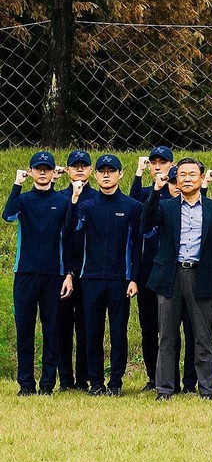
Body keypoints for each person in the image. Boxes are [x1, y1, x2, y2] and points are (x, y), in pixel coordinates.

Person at [143, 157, 212, 400]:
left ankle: (206, 390)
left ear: (202, 179)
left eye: (193, 174)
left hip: (201, 275)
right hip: (170, 276)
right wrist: (156, 190)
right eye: (182, 174)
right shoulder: (167, 207)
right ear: (176, 179)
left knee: (204, 337)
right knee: (167, 337)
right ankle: (164, 389)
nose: (187, 178)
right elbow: (147, 221)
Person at [64, 154, 142, 395]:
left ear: (121, 174)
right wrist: (74, 200)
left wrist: (134, 278)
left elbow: (138, 245)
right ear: (95, 175)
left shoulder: (132, 206)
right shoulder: (86, 205)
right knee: (92, 332)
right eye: (102, 170)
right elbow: (71, 232)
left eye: (111, 170)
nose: (106, 175)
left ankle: (115, 383)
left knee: (118, 333)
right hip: (91, 279)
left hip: (120, 279)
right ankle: (95, 383)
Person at [6, 152, 71, 395]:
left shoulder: (63, 201)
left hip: (54, 273)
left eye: (47, 168)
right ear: (31, 171)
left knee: (51, 329)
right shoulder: (23, 200)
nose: (42, 172)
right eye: (38, 168)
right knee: (25, 330)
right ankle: (25, 384)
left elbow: (72, 233)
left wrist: (69, 274)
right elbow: (8, 215)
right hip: (25, 273)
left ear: (54, 172)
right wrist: (17, 183)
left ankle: (47, 384)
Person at [131, 145, 179, 391]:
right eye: (154, 162)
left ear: (172, 165)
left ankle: (177, 378)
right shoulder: (147, 193)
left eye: (163, 161)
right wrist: (138, 174)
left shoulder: (177, 192)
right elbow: (133, 204)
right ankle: (153, 377)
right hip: (147, 268)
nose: (158, 165)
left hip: (174, 269)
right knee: (149, 326)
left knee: (172, 328)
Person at [56, 149, 95, 391]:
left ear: (90, 169)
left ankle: (83, 379)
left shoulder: (97, 198)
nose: (79, 169)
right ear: (67, 169)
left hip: (87, 271)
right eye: (74, 165)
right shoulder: (59, 197)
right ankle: (65, 379)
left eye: (84, 165)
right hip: (61, 271)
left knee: (85, 326)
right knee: (62, 326)